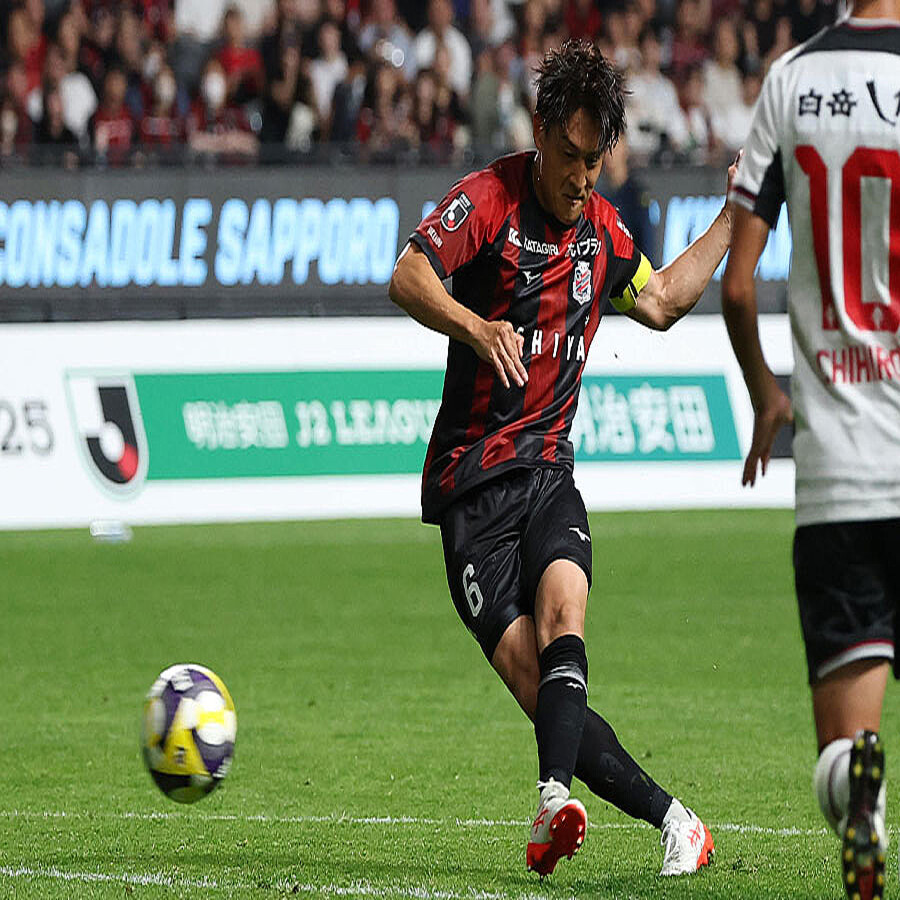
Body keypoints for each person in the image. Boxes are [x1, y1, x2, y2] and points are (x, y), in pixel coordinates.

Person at [389, 38, 736, 878]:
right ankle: (676, 819)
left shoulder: (603, 234)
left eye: (595, 160)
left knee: (565, 617)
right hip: (472, 491)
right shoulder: (487, 201)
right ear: (541, 132)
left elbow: (661, 301)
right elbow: (408, 276)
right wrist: (476, 326)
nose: (583, 178)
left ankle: (553, 802)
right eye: (572, 156)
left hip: (548, 474)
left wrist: (735, 216)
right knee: (534, 683)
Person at [721, 4, 900, 899]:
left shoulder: (791, 81)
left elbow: (738, 287)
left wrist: (767, 393)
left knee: (844, 751)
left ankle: (854, 790)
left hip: (839, 475)